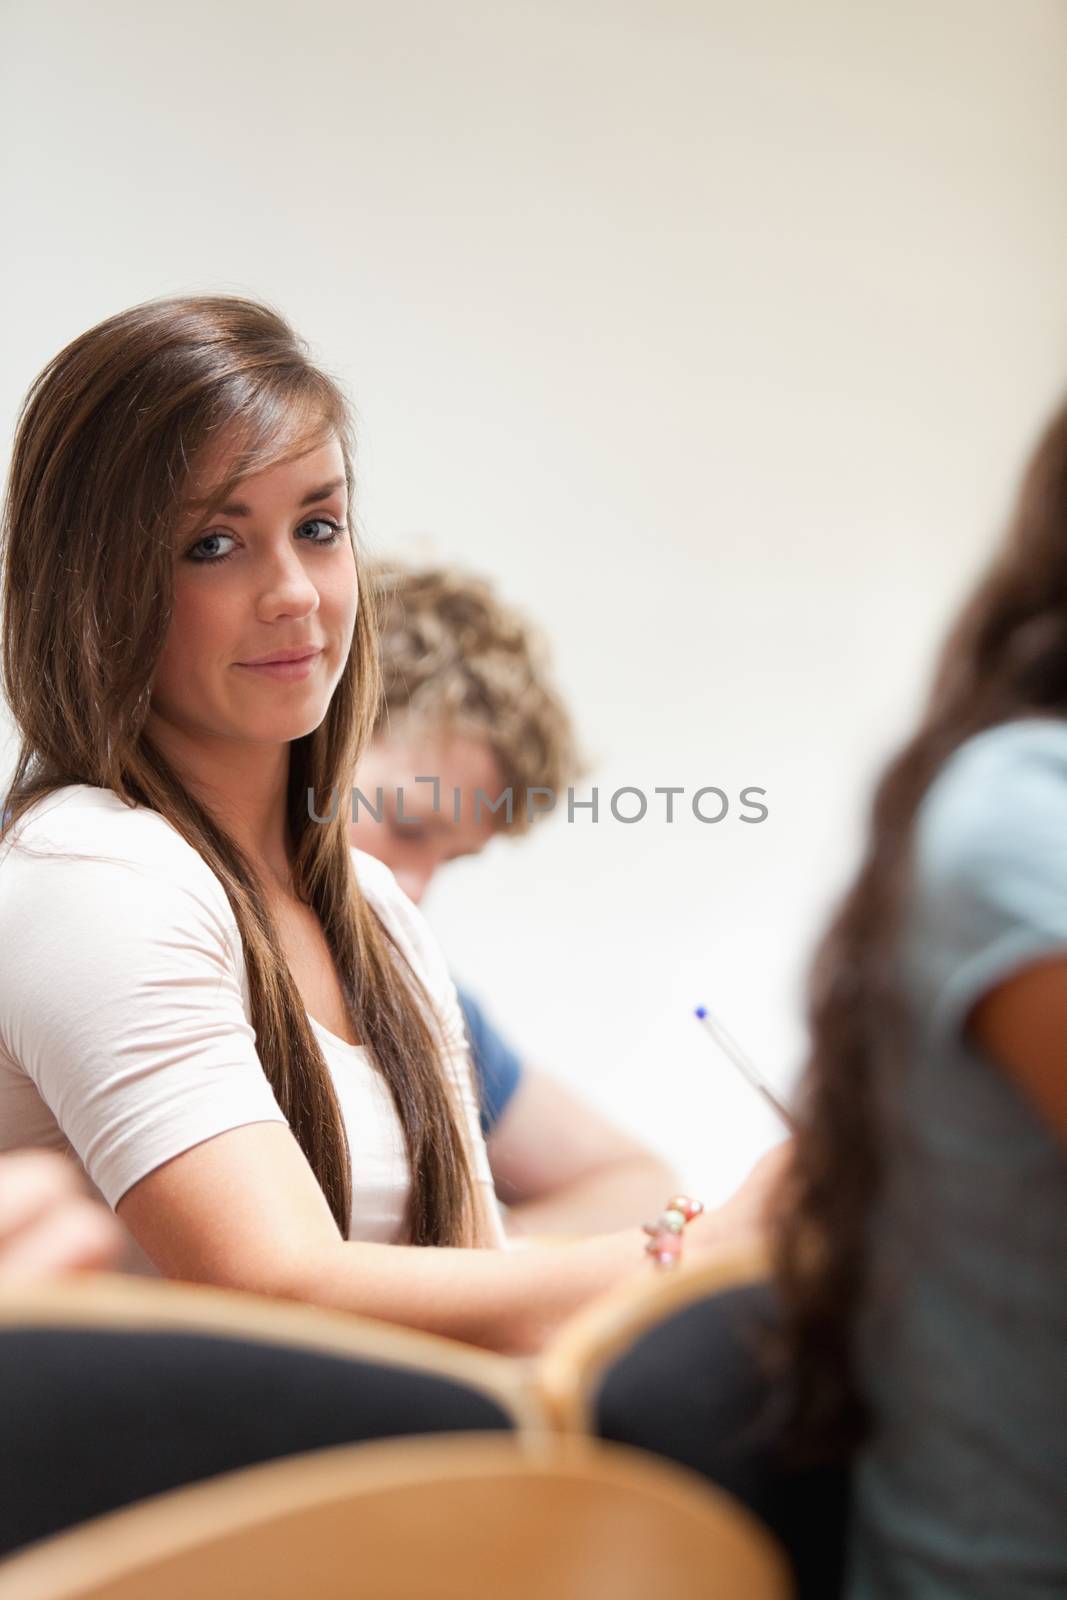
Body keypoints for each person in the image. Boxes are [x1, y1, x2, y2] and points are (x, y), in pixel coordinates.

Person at [0, 294, 784, 1357]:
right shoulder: (87, 870)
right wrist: (692, 1250)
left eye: (317, 528)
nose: (293, 594)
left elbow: (488, 1305)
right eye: (214, 543)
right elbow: (271, 1289)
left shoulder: (372, 914)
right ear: (96, 587)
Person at [349, 561, 682, 1237]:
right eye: (406, 826)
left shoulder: (406, 994)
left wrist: (475, 1280)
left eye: (452, 860)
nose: (415, 890)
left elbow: (638, 1187)